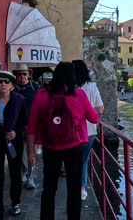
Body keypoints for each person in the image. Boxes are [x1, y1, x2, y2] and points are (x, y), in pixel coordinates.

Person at [26, 61, 99, 219]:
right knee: (73, 189)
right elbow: (94, 119)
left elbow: (31, 126)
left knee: (49, 189)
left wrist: (31, 152)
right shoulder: (78, 93)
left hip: (50, 146)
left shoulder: (42, 94)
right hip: (74, 145)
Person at [0, 71, 26, 218]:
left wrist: (16, 132)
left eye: (6, 81)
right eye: (0, 82)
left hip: (13, 142)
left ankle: (16, 203)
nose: (3, 84)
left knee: (15, 173)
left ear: (11, 84)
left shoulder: (19, 100)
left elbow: (24, 121)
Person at [72, 60, 104, 201]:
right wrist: (87, 111)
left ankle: (75, 185)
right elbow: (100, 109)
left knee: (73, 159)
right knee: (83, 160)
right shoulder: (92, 87)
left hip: (71, 130)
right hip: (90, 130)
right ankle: (82, 188)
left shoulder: (68, 87)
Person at [13, 63, 40, 189]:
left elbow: (40, 104)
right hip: (17, 126)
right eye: (19, 74)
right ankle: (23, 170)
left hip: (32, 125)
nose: (22, 77)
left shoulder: (35, 87)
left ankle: (31, 177)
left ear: (28, 75)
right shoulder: (13, 89)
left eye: (24, 74)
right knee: (19, 151)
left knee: (31, 152)